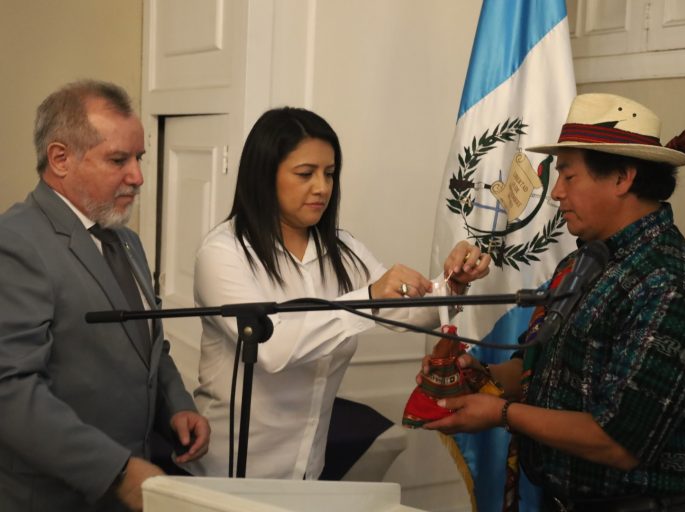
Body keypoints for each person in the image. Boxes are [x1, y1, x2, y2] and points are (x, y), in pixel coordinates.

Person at [422, 93, 685, 512]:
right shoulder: (583, 261)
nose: (555, 193)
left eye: (568, 176)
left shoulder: (671, 286)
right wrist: (478, 375)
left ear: (622, 178)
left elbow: (617, 442)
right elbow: (538, 369)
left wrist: (500, 413)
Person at [186, 107, 491, 479]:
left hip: (306, 469)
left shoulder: (343, 250)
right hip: (230, 469)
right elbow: (271, 349)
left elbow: (406, 313)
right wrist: (367, 298)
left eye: (329, 173)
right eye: (305, 174)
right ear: (264, 176)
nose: (322, 187)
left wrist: (453, 283)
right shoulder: (223, 254)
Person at [0, 80, 211, 512]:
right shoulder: (15, 243)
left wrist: (176, 405)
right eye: (118, 160)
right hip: (54, 497)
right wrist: (117, 472)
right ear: (60, 159)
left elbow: (148, 345)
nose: (138, 176)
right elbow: (11, 390)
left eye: (139, 158)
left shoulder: (126, 241)